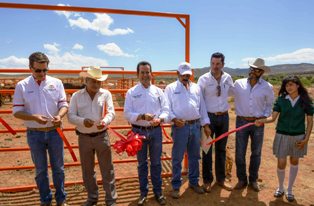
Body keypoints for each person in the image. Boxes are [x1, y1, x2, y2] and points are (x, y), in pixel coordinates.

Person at [12, 52, 68, 206]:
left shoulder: (56, 83)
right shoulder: (22, 86)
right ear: (30, 68)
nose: (42, 74)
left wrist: (60, 116)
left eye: (45, 70)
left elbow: (63, 104)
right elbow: (17, 112)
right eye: (38, 70)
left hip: (55, 132)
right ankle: (45, 200)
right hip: (34, 133)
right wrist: (34, 117)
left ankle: (61, 199)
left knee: (59, 169)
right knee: (41, 170)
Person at [255, 76, 313, 202]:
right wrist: (261, 121)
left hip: (298, 136)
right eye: (287, 85)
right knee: (281, 162)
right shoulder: (281, 100)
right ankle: (281, 187)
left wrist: (306, 139)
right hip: (282, 135)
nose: (288, 87)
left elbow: (309, 122)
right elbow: (273, 118)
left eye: (291, 84)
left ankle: (290, 189)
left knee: (294, 161)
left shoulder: (305, 100)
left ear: (298, 85)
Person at [68, 67, 117, 206]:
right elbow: (71, 116)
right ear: (86, 81)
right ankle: (92, 197)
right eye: (93, 81)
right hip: (84, 137)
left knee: (107, 169)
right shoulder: (76, 96)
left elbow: (111, 113)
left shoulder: (105, 94)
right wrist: (82, 121)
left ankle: (111, 199)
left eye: (98, 81)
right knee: (87, 170)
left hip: (102, 135)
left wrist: (105, 121)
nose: (96, 84)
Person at [124, 61, 169, 206]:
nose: (145, 75)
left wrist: (160, 119)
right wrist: (141, 116)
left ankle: (158, 192)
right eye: (142, 72)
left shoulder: (158, 91)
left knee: (156, 163)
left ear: (151, 74)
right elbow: (127, 113)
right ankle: (143, 193)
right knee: (142, 164)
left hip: (155, 131)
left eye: (147, 72)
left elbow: (166, 110)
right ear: (138, 74)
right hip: (138, 132)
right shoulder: (131, 92)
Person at [164, 62, 211, 199]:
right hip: (180, 127)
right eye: (183, 74)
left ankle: (194, 182)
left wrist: (205, 124)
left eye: (188, 75)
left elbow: (202, 108)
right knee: (177, 157)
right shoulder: (170, 88)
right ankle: (176, 186)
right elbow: (167, 107)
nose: (186, 77)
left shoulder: (196, 88)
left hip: (196, 126)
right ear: (177, 74)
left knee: (194, 156)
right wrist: (173, 119)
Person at [231, 58, 274, 192]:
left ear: (262, 72)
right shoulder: (238, 84)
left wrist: (263, 117)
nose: (253, 71)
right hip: (241, 120)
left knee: (256, 152)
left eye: (256, 70)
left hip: (258, 123)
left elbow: (269, 105)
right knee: (239, 152)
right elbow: (225, 94)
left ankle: (253, 180)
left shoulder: (267, 87)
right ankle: (242, 179)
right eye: (252, 68)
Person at [197, 52, 234, 192]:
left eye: (218, 64)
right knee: (206, 149)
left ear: (223, 64)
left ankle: (221, 179)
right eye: (213, 63)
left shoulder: (228, 78)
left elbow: (233, 93)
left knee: (221, 149)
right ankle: (207, 180)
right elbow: (200, 102)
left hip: (224, 117)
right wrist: (205, 123)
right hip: (208, 118)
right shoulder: (203, 79)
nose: (215, 66)